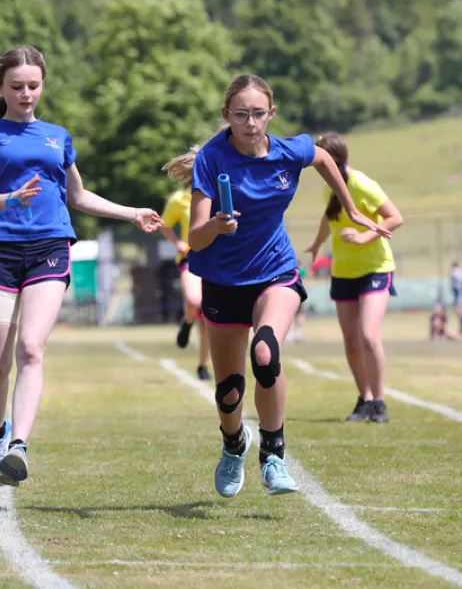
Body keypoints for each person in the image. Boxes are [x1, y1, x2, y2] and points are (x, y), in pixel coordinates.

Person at [164, 74, 389, 499]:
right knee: (229, 390)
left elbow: (323, 158)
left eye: (259, 114)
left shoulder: (288, 150)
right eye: (241, 114)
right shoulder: (212, 160)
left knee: (265, 354)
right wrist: (216, 224)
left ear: (272, 114)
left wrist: (351, 207)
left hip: (274, 272)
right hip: (223, 280)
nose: (250, 123)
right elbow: (194, 237)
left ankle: (273, 454)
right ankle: (233, 446)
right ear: (226, 115)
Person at [0, 46, 162, 487]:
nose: (26, 94)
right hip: (2, 254)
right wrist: (12, 198)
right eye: (16, 87)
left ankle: (18, 447)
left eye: (33, 86)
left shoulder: (57, 136)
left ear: (42, 86)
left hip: (50, 247)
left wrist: (132, 212)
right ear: (0, 88)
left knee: (31, 347)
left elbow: (79, 197)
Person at [305, 133, 404, 423]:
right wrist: (317, 244)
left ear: (332, 160)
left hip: (375, 268)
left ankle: (379, 402)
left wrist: (364, 236)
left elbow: (395, 217)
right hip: (343, 271)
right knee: (350, 341)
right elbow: (329, 217)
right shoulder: (330, 187)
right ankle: (365, 399)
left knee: (368, 335)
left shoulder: (361, 184)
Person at [160, 183, 211, 380]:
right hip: (190, 257)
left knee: (208, 318)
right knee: (193, 300)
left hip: (215, 259)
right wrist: (177, 242)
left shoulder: (218, 191)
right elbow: (165, 225)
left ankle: (203, 365)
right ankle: (188, 321)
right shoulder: (180, 199)